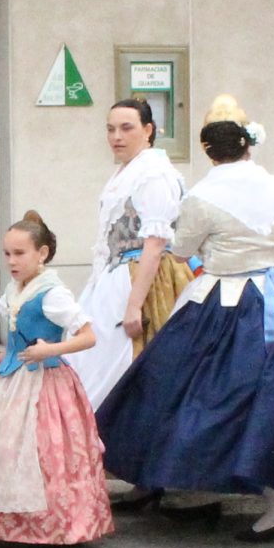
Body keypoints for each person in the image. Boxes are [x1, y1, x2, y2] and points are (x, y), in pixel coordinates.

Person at [95, 102, 274, 540]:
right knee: (270, 400)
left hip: (221, 301)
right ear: (248, 147)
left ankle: (211, 491)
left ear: (209, 152)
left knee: (191, 391)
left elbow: (182, 252)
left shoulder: (202, 197)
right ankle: (255, 497)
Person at [0, 212, 113, 548]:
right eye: (7, 254)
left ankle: (56, 527)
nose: (12, 261)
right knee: (1, 451)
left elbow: (88, 336)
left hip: (47, 384)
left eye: (19, 253)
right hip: (14, 382)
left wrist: (50, 349)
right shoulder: (14, 290)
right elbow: (18, 340)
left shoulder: (53, 293)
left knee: (45, 454)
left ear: (41, 253)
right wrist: (3, 358)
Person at [67, 97, 188, 408]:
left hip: (140, 278)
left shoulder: (154, 173)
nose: (116, 137)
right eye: (110, 129)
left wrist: (134, 305)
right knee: (93, 361)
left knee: (117, 365)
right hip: (114, 276)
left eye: (126, 128)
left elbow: (156, 243)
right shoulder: (128, 171)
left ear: (148, 130)